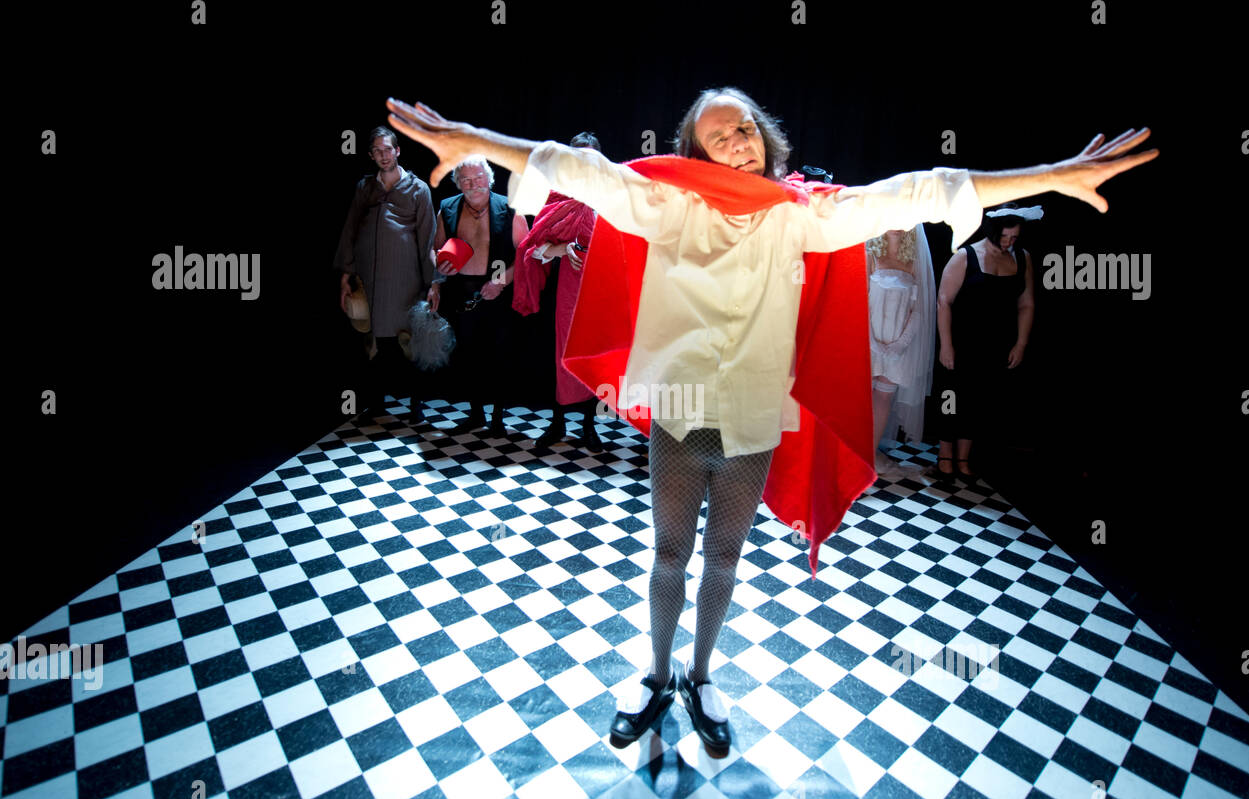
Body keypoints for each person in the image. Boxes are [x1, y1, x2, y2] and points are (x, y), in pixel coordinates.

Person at [384, 91, 1156, 757]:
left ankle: (703, 675)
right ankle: (656, 674)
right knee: (668, 550)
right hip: (683, 409)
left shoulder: (803, 216)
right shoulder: (666, 201)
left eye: (744, 128)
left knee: (723, 556)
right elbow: (573, 167)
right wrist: (470, 142)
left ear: (766, 139)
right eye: (717, 134)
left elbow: (922, 190)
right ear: (692, 152)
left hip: (754, 412)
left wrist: (1052, 176)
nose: (735, 142)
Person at [334, 126, 437, 425]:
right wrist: (346, 276)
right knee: (372, 344)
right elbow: (350, 231)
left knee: (409, 343)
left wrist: (432, 284)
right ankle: (376, 404)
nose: (383, 155)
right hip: (368, 278)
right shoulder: (365, 187)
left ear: (397, 151)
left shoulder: (418, 189)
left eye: (387, 149)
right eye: (377, 151)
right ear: (370, 155)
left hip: (405, 280)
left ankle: (416, 406)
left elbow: (428, 238)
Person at [514, 132, 607, 452]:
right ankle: (557, 423)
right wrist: (565, 248)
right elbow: (535, 249)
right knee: (559, 357)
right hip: (562, 291)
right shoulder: (557, 196)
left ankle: (589, 426)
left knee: (592, 358)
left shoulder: (612, 197)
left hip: (599, 291)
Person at [933, 204, 1040, 480]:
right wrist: (946, 344)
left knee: (981, 400)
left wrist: (1021, 343)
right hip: (963, 341)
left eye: (1014, 238)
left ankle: (964, 458)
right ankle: (945, 455)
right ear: (992, 231)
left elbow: (1026, 303)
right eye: (1005, 237)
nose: (1009, 242)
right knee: (952, 397)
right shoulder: (966, 256)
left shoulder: (1022, 258)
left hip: (998, 343)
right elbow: (944, 301)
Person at [430, 156, 529, 438]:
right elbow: (434, 249)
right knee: (467, 356)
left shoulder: (510, 207)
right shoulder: (447, 208)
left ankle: (498, 417)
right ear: (458, 182)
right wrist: (436, 279)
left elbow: (527, 255)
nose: (473, 185)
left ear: (489, 179)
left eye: (478, 178)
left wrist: (502, 281)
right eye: (465, 180)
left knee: (499, 356)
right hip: (460, 292)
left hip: (497, 291)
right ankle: (475, 414)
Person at [865, 225, 936, 480]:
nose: (896, 225)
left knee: (883, 399)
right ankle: (852, 455)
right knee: (861, 397)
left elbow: (920, 309)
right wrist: (872, 342)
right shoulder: (871, 254)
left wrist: (900, 344)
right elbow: (860, 298)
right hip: (868, 340)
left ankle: (869, 456)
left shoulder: (915, 260)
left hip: (898, 346)